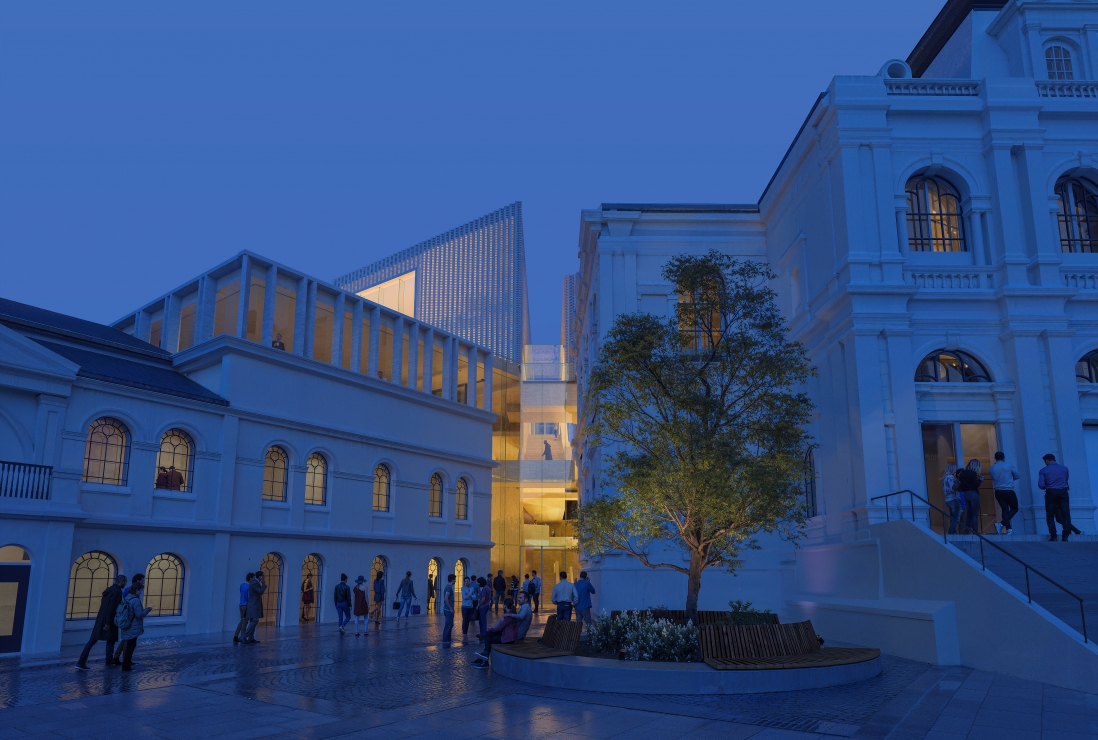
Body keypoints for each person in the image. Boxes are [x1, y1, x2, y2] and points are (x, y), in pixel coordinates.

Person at [76, 574, 127, 670]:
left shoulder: (109, 590)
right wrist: (108, 622)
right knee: (103, 640)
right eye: (125, 582)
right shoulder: (117, 592)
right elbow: (113, 607)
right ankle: (82, 662)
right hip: (108, 620)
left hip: (101, 618)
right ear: (122, 582)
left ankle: (85, 661)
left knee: (96, 640)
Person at [117, 578, 152, 671]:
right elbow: (139, 614)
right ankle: (126, 666)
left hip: (127, 624)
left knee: (128, 645)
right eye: (140, 590)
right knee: (130, 646)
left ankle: (125, 664)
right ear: (136, 590)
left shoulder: (127, 597)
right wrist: (147, 610)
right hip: (133, 626)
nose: (141, 592)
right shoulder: (135, 600)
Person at [472, 598, 517, 667]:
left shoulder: (509, 616)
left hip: (508, 639)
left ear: (504, 606)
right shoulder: (510, 614)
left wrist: (491, 629)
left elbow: (500, 627)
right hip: (507, 636)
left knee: (489, 639)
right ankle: (484, 655)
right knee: (488, 635)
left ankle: (485, 659)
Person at [1038, 453, 1072, 541]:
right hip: (1063, 492)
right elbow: (1066, 479)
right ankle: (1065, 536)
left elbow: (1041, 485)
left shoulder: (1043, 470)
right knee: (1066, 514)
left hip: (1051, 492)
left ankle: (1053, 536)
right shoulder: (1064, 468)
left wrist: (1048, 486)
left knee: (1050, 515)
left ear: (1047, 461)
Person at [111, 573, 144, 664]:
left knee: (127, 641)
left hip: (130, 620)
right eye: (142, 581)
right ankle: (123, 659)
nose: (143, 582)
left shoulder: (129, 591)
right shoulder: (130, 592)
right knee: (128, 641)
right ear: (137, 581)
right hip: (130, 621)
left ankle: (122, 658)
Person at [989, 451, 1021, 535]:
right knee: (1014, 508)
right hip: (1009, 489)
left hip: (998, 490)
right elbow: (1017, 475)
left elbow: (993, 479)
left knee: (1005, 509)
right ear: (1003, 458)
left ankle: (1008, 528)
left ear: (995, 458)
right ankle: (1002, 525)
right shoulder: (1009, 465)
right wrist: (1009, 479)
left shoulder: (992, 468)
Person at [955, 459, 983, 534]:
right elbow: (976, 485)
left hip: (966, 494)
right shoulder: (973, 473)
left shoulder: (962, 473)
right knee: (974, 514)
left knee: (969, 515)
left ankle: (966, 532)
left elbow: (961, 485)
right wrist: (980, 480)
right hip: (973, 493)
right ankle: (975, 532)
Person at [242, 571, 266, 644]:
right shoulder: (255, 583)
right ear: (260, 576)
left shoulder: (254, 582)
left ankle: (251, 638)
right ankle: (243, 636)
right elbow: (260, 591)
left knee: (253, 620)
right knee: (255, 620)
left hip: (253, 604)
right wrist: (264, 584)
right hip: (253, 605)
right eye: (263, 575)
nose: (264, 577)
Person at [233, 573, 254, 643]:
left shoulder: (242, 585)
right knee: (245, 622)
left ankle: (236, 635)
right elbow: (249, 597)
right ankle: (243, 636)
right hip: (246, 605)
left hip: (241, 605)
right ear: (250, 578)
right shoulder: (249, 587)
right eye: (253, 578)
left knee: (242, 621)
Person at [942, 463, 962, 535]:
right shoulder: (950, 477)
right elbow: (953, 488)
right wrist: (958, 481)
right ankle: (950, 533)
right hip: (953, 499)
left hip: (948, 499)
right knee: (956, 518)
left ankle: (953, 532)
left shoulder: (945, 478)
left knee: (952, 518)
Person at [442, 573, 456, 643]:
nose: (455, 581)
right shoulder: (449, 588)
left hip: (448, 609)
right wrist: (450, 608)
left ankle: (448, 639)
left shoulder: (448, 587)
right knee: (448, 625)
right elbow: (446, 598)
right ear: (452, 580)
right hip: (448, 609)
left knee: (450, 625)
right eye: (455, 580)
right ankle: (445, 640)